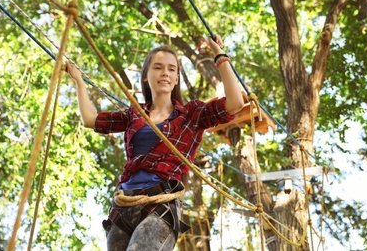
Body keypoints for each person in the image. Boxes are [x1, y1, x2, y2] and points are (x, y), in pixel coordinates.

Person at [66, 34, 244, 251]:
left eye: (171, 69)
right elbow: (90, 120)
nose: (165, 73)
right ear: (145, 76)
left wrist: (220, 56)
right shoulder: (134, 114)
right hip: (123, 205)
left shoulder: (191, 114)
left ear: (177, 78)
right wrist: (77, 79)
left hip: (160, 205)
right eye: (158, 68)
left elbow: (235, 103)